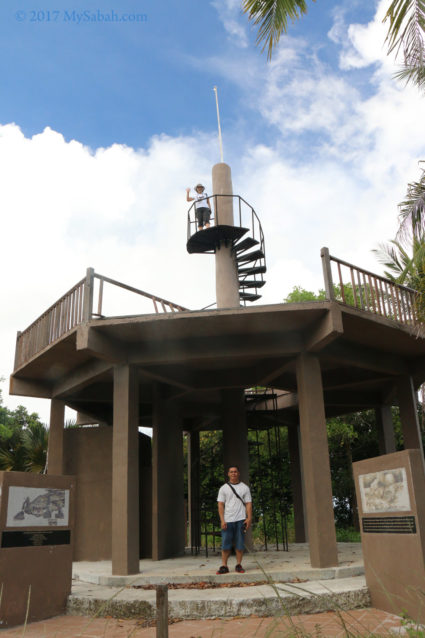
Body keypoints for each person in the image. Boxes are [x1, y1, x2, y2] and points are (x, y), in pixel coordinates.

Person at [216, 465, 252, 574]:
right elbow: (220, 505)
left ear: (238, 473)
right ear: (228, 474)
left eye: (235, 472)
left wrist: (249, 518)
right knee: (225, 543)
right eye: (231, 472)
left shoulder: (245, 488)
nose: (233, 473)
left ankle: (238, 565)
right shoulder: (223, 488)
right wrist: (222, 520)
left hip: (240, 519)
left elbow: (248, 504)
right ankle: (224, 566)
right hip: (228, 520)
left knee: (240, 544)